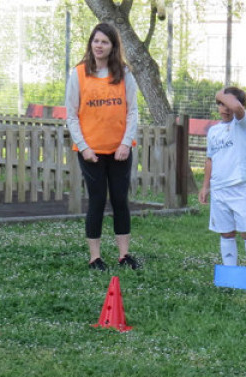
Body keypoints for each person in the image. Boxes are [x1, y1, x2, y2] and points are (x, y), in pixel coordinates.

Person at [65, 23, 140, 271]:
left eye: (104, 42)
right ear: (90, 43)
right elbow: (72, 115)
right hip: (91, 153)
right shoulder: (78, 74)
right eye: (96, 41)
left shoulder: (124, 73)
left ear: (113, 46)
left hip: (120, 151)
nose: (99, 46)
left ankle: (124, 255)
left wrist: (125, 144)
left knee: (120, 199)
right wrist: (84, 146)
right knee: (97, 200)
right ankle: (95, 257)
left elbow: (132, 112)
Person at [199, 86, 246, 287]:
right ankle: (229, 275)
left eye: (227, 104)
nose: (225, 108)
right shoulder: (214, 131)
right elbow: (210, 159)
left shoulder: (241, 124)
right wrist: (205, 186)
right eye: (220, 104)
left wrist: (220, 93)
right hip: (219, 189)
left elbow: (236, 107)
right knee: (226, 232)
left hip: (239, 187)